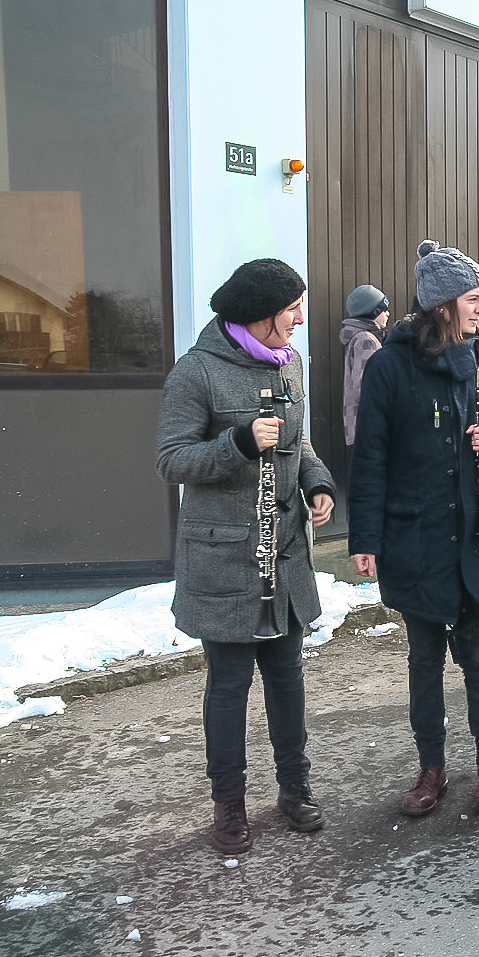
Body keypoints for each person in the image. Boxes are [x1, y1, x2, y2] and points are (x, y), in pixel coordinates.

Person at [156, 258, 337, 855]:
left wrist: (317, 483)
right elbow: (172, 461)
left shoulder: (290, 363)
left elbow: (300, 444)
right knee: (230, 686)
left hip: (283, 555)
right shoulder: (197, 372)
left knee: (287, 679)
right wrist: (236, 442)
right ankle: (229, 805)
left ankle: (294, 789)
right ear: (261, 316)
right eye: (292, 309)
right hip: (225, 560)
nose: (300, 319)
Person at [349, 239, 479, 819]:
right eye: (473, 299)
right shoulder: (389, 365)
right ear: (443, 305)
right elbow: (369, 458)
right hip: (416, 537)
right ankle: (431, 770)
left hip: (478, 533)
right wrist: (365, 538)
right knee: (423, 662)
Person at [339, 283, 390, 463]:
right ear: (373, 312)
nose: (388, 314)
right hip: (368, 428)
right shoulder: (366, 340)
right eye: (384, 309)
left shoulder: (360, 337)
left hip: (358, 427)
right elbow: (367, 387)